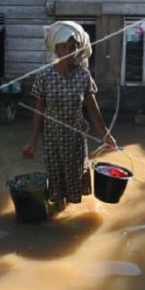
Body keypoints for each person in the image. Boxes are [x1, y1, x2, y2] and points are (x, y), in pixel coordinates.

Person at [22, 21, 117, 213]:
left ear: (78, 50)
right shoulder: (44, 76)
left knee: (74, 179)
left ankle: (66, 215)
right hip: (52, 138)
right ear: (56, 49)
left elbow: (92, 108)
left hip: (75, 139)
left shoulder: (83, 76)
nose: (68, 52)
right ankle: (57, 211)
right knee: (56, 179)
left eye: (72, 48)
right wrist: (31, 141)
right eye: (63, 47)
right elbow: (39, 110)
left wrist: (105, 134)